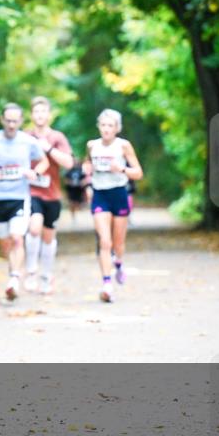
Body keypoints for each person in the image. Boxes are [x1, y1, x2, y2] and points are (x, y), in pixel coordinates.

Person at [0, 103, 49, 302]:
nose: (12, 125)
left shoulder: (28, 141)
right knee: (5, 243)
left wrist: (35, 172)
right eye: (8, 121)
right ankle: (13, 271)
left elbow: (44, 161)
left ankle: (14, 279)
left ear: (21, 121)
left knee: (17, 238)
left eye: (15, 121)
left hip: (20, 197)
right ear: (2, 120)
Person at [82, 109, 143, 303]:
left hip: (119, 194)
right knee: (104, 242)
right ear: (98, 127)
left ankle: (119, 263)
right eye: (103, 125)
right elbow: (87, 165)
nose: (106, 129)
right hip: (100, 195)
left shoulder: (123, 146)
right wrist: (87, 172)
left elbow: (138, 173)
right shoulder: (92, 146)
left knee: (118, 243)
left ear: (117, 128)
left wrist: (122, 169)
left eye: (110, 126)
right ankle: (107, 284)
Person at [24, 97, 74, 295]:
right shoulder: (26, 136)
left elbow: (68, 163)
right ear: (31, 115)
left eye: (43, 112)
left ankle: (46, 277)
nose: (40, 115)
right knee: (34, 228)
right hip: (31, 191)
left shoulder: (57, 137)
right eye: (36, 112)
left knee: (48, 236)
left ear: (49, 115)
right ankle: (30, 271)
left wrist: (49, 149)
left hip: (52, 193)